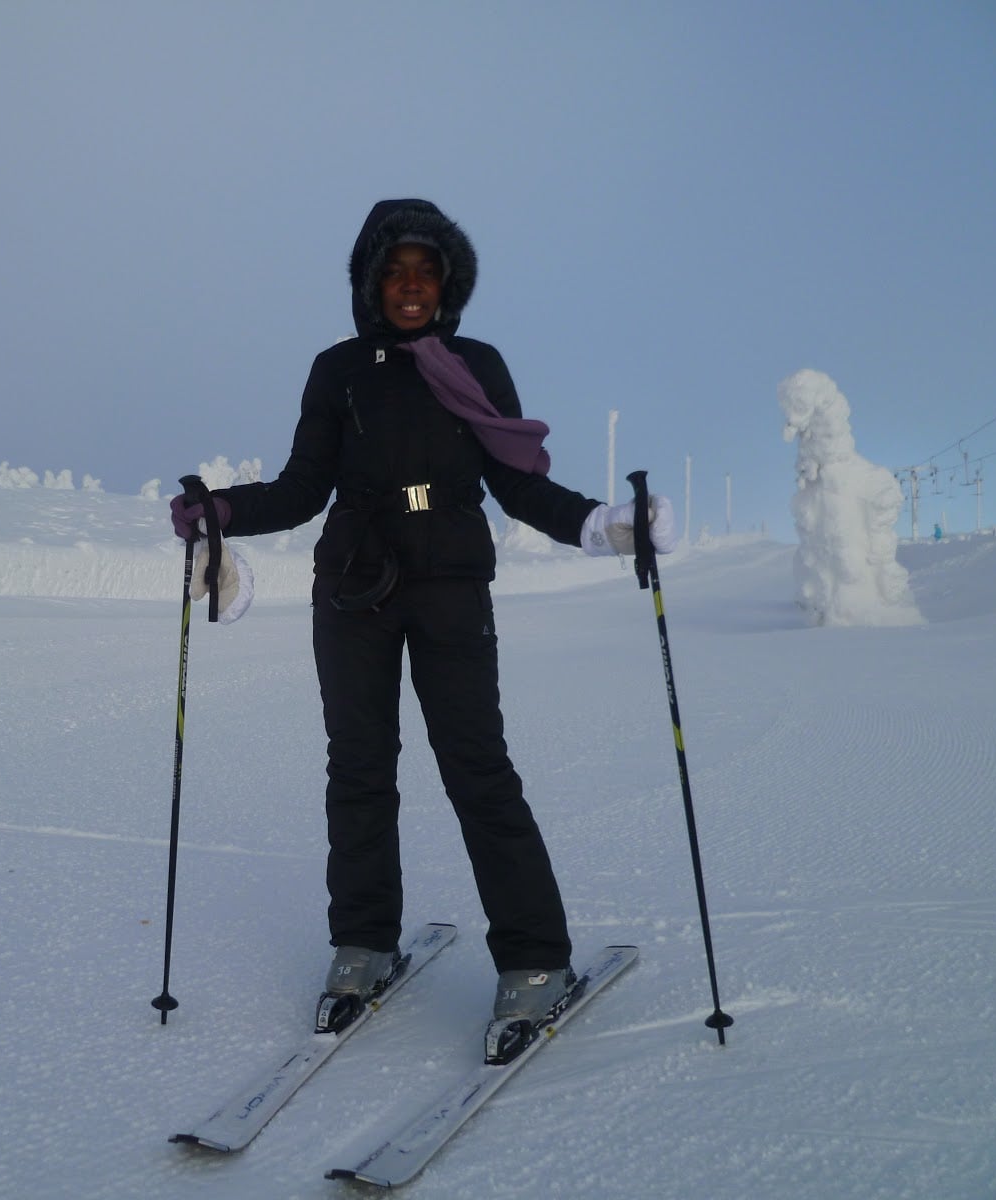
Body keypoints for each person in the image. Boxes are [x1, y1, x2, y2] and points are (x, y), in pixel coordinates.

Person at [171, 199, 675, 1052]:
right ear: (372, 284)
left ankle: (535, 962)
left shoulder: (476, 363)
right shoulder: (337, 369)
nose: (411, 286)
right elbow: (301, 489)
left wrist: (600, 524)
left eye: (426, 271)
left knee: (476, 764)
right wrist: (218, 510)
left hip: (448, 579)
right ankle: (363, 944)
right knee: (359, 767)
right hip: (354, 580)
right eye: (395, 272)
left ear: (449, 283)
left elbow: (519, 483)